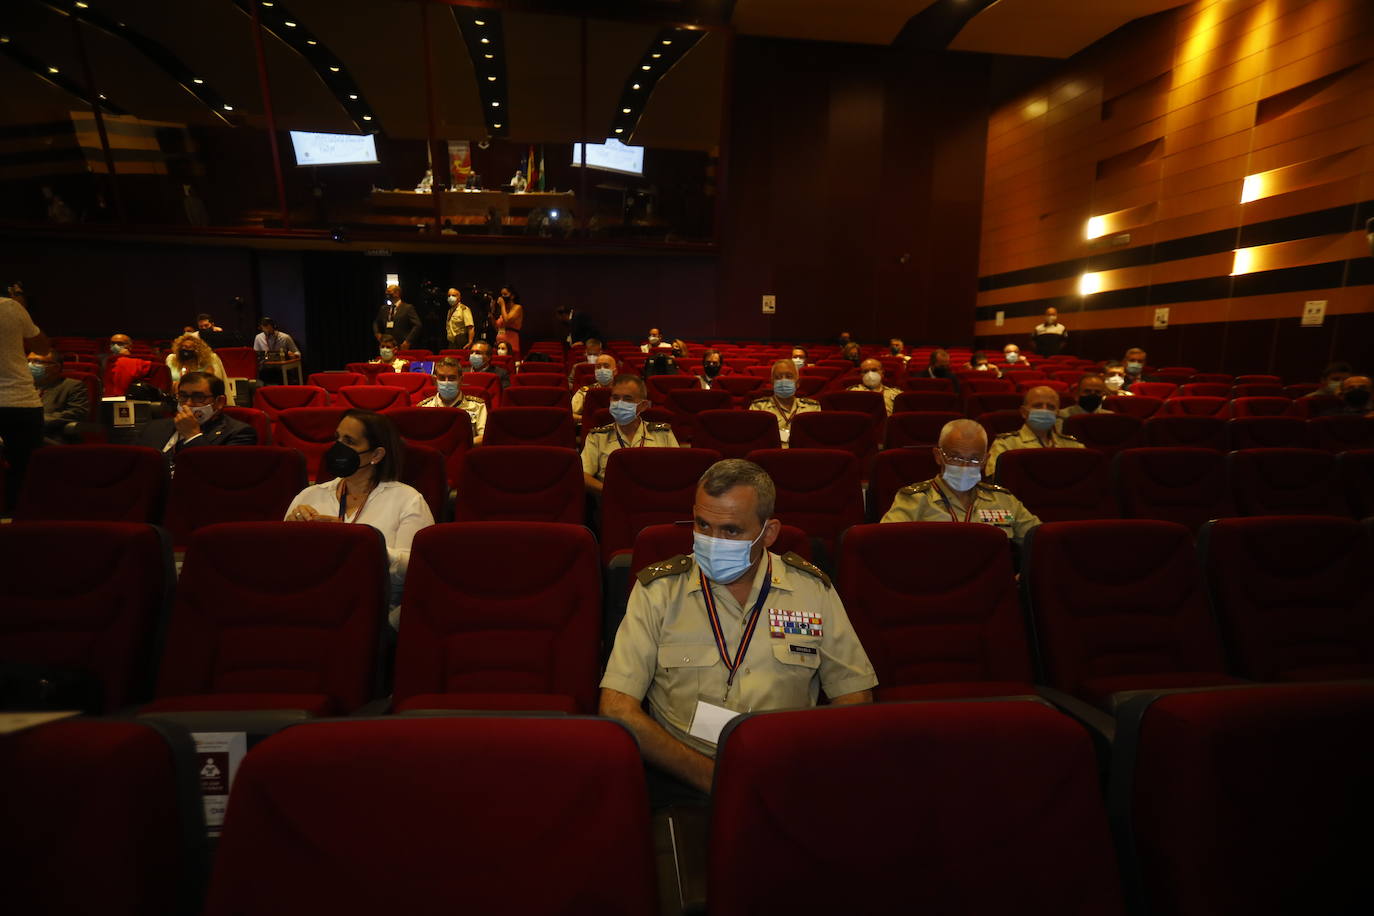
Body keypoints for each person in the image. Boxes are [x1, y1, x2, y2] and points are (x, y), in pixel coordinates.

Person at [599, 458, 876, 804]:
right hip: (682, 781)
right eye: (703, 525)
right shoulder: (658, 590)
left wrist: (812, 765)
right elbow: (616, 707)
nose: (713, 541)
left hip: (784, 777)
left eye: (730, 531)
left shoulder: (812, 590)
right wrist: (713, 777)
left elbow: (855, 697)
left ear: (769, 532)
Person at [284, 410, 434, 623]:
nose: (338, 448)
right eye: (337, 438)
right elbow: (283, 566)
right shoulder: (309, 496)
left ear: (376, 455)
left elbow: (416, 570)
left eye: (349, 441)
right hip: (311, 605)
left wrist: (360, 542)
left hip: (374, 613)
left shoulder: (407, 500)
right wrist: (290, 534)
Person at [880, 419, 1041, 548]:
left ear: (985, 461)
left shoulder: (1003, 500)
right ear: (938, 456)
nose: (964, 466)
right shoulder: (915, 500)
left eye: (974, 459)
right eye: (955, 457)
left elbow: (1041, 542)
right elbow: (883, 545)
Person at [581, 374, 680, 494]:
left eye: (627, 399)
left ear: (643, 405)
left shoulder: (663, 434)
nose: (619, 404)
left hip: (654, 499)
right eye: (615, 398)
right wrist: (609, 491)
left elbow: (677, 471)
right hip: (612, 501)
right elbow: (583, 475)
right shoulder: (597, 437)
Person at [137, 371, 256, 467]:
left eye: (198, 397)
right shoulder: (154, 426)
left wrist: (193, 436)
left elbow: (220, 473)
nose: (187, 404)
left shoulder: (239, 433)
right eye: (183, 396)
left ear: (219, 402)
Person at [1, 292, 49, 508]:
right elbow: (42, 347)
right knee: (25, 471)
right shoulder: (10, 307)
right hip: (17, 401)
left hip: (17, 400)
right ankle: (19, 525)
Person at [986, 385, 1085, 475]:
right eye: (1037, 406)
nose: (1044, 410)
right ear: (1024, 412)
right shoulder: (1005, 444)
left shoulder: (1073, 446)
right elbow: (996, 480)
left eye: (1051, 407)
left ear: (1057, 413)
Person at [749, 359, 820, 446]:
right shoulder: (758, 407)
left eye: (789, 376)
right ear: (772, 383)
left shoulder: (813, 408)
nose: (783, 381)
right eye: (778, 377)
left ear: (797, 382)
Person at [417, 357, 487, 443]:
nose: (446, 382)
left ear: (461, 380)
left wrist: (458, 445)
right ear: (435, 381)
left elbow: (484, 437)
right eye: (442, 378)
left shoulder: (477, 406)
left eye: (452, 378)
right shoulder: (423, 408)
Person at [29, 350, 88, 443]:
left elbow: (76, 412)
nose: (30, 365)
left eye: (37, 362)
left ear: (56, 367)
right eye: (28, 361)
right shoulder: (23, 387)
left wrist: (35, 421)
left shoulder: (73, 386)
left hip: (51, 435)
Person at [373, 285, 422, 349]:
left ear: (397, 293)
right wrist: (377, 333)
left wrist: (408, 341)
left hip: (402, 344)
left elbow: (418, 325)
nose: (386, 293)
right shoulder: (384, 308)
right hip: (387, 344)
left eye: (389, 291)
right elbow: (376, 322)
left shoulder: (408, 308)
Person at [572, 354, 617, 423]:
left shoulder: (624, 391)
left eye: (606, 366)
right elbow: (571, 414)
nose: (602, 370)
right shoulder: (585, 391)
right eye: (598, 367)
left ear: (615, 371)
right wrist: (589, 420)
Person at [494, 286, 523, 356]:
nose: (502, 297)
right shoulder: (504, 310)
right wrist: (491, 312)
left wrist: (502, 305)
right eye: (501, 294)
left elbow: (507, 320)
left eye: (505, 294)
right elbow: (496, 327)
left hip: (511, 342)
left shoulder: (517, 307)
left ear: (512, 296)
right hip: (499, 343)